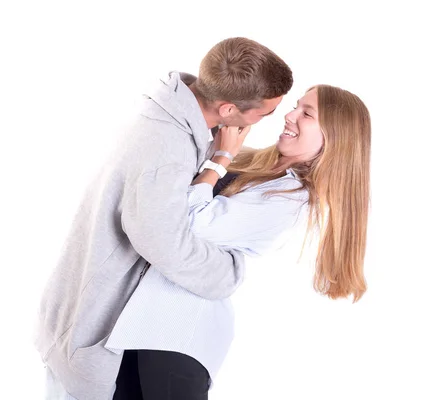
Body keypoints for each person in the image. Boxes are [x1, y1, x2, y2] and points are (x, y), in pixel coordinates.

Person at [36, 37, 293, 400]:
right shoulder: (166, 144)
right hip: (87, 324)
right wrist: (227, 272)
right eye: (264, 113)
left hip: (89, 314)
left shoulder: (177, 117)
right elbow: (163, 239)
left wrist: (223, 156)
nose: (270, 119)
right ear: (229, 109)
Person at [110, 84, 371, 399]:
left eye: (307, 113)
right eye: (296, 106)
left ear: (334, 135)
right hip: (139, 323)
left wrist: (220, 159)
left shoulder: (293, 201)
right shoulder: (258, 166)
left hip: (178, 333)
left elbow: (188, 224)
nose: (290, 116)